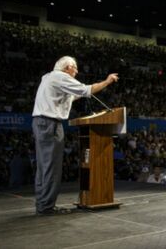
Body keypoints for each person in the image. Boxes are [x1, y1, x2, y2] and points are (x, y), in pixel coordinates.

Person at [32, 56, 118, 215]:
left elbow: (74, 95)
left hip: (42, 123)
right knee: (51, 167)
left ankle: (42, 204)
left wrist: (84, 92)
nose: (77, 71)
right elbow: (86, 90)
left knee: (44, 167)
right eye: (75, 68)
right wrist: (107, 82)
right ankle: (46, 207)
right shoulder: (61, 77)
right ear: (66, 68)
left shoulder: (49, 77)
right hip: (50, 124)